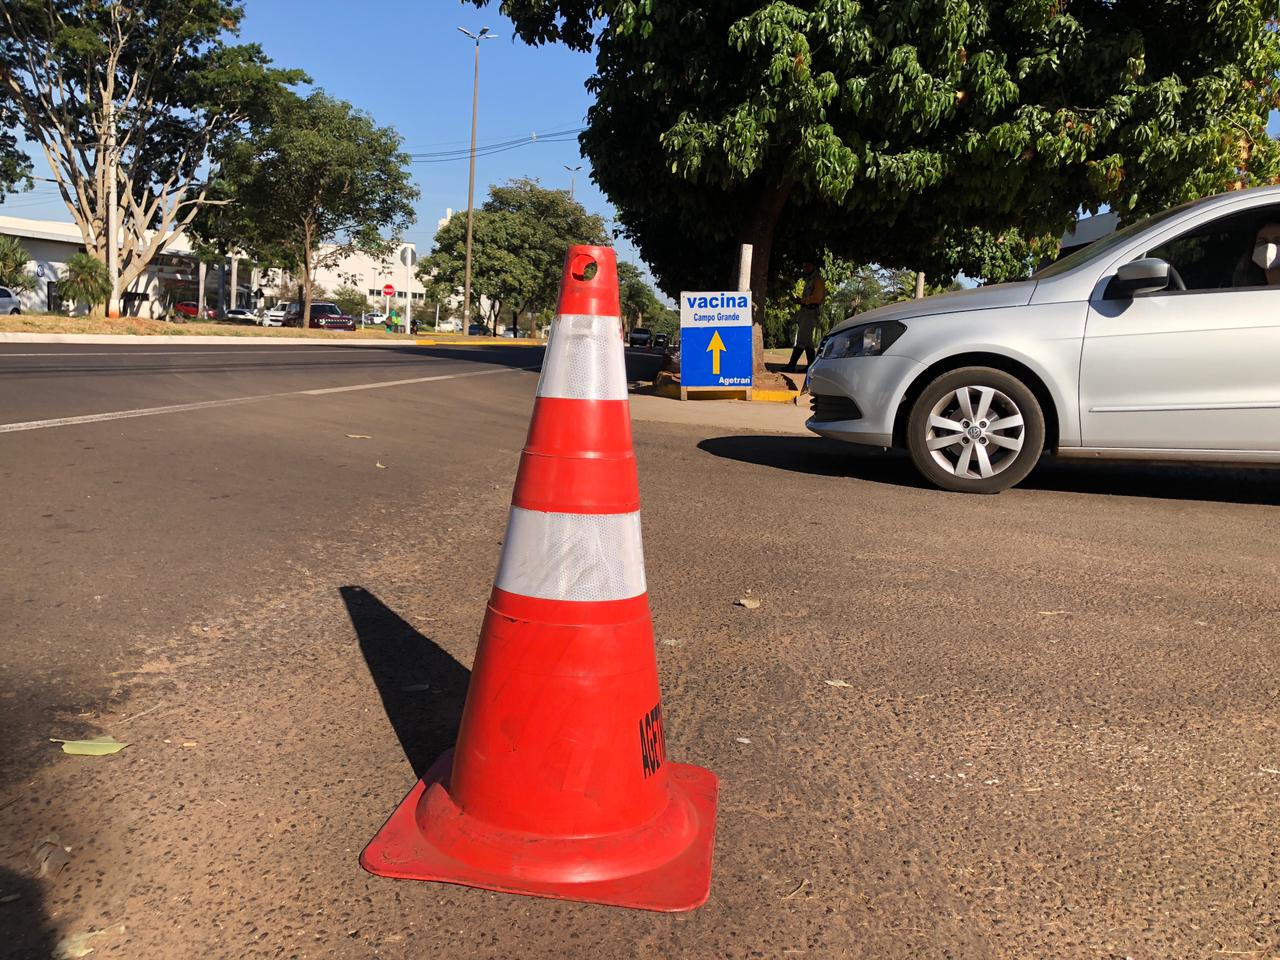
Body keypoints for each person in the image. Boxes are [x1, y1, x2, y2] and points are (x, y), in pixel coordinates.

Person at [783, 260, 825, 372]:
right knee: (807, 341)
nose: (805, 269)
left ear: (813, 266)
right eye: (804, 266)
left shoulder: (818, 280)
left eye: (807, 266)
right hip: (805, 311)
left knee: (802, 339)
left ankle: (792, 365)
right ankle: (811, 367)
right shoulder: (810, 280)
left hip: (811, 311)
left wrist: (802, 301)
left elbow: (817, 298)